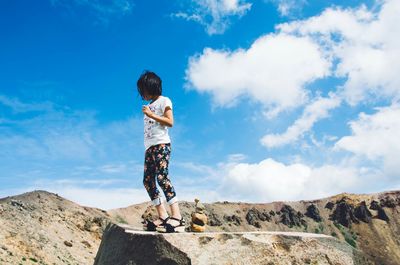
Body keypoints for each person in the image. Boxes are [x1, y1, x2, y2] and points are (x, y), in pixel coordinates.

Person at [137, 70, 186, 233]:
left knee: (162, 177)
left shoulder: (164, 100)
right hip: (149, 148)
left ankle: (177, 217)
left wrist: (151, 115)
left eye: (142, 90)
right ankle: (163, 216)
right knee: (148, 180)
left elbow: (170, 122)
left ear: (150, 87)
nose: (141, 94)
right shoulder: (149, 106)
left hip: (162, 145)